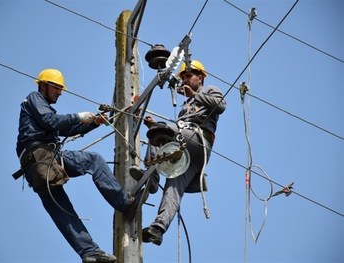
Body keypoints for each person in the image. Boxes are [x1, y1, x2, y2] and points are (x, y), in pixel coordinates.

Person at [15, 68, 144, 263]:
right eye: (57, 88)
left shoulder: (40, 109)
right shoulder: (34, 98)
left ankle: (89, 252)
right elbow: (51, 122)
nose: (60, 92)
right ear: (43, 85)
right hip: (42, 156)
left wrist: (95, 122)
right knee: (94, 160)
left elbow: (64, 128)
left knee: (61, 211)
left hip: (35, 167)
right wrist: (78, 116)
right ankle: (124, 203)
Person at [129, 60, 226, 246]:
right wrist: (154, 126)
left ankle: (153, 177)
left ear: (200, 77)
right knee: (174, 188)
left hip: (198, 141)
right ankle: (158, 228)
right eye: (183, 77)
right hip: (185, 150)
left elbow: (221, 106)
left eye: (189, 76)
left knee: (161, 131)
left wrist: (196, 95)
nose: (185, 80)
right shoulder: (186, 103)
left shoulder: (209, 90)